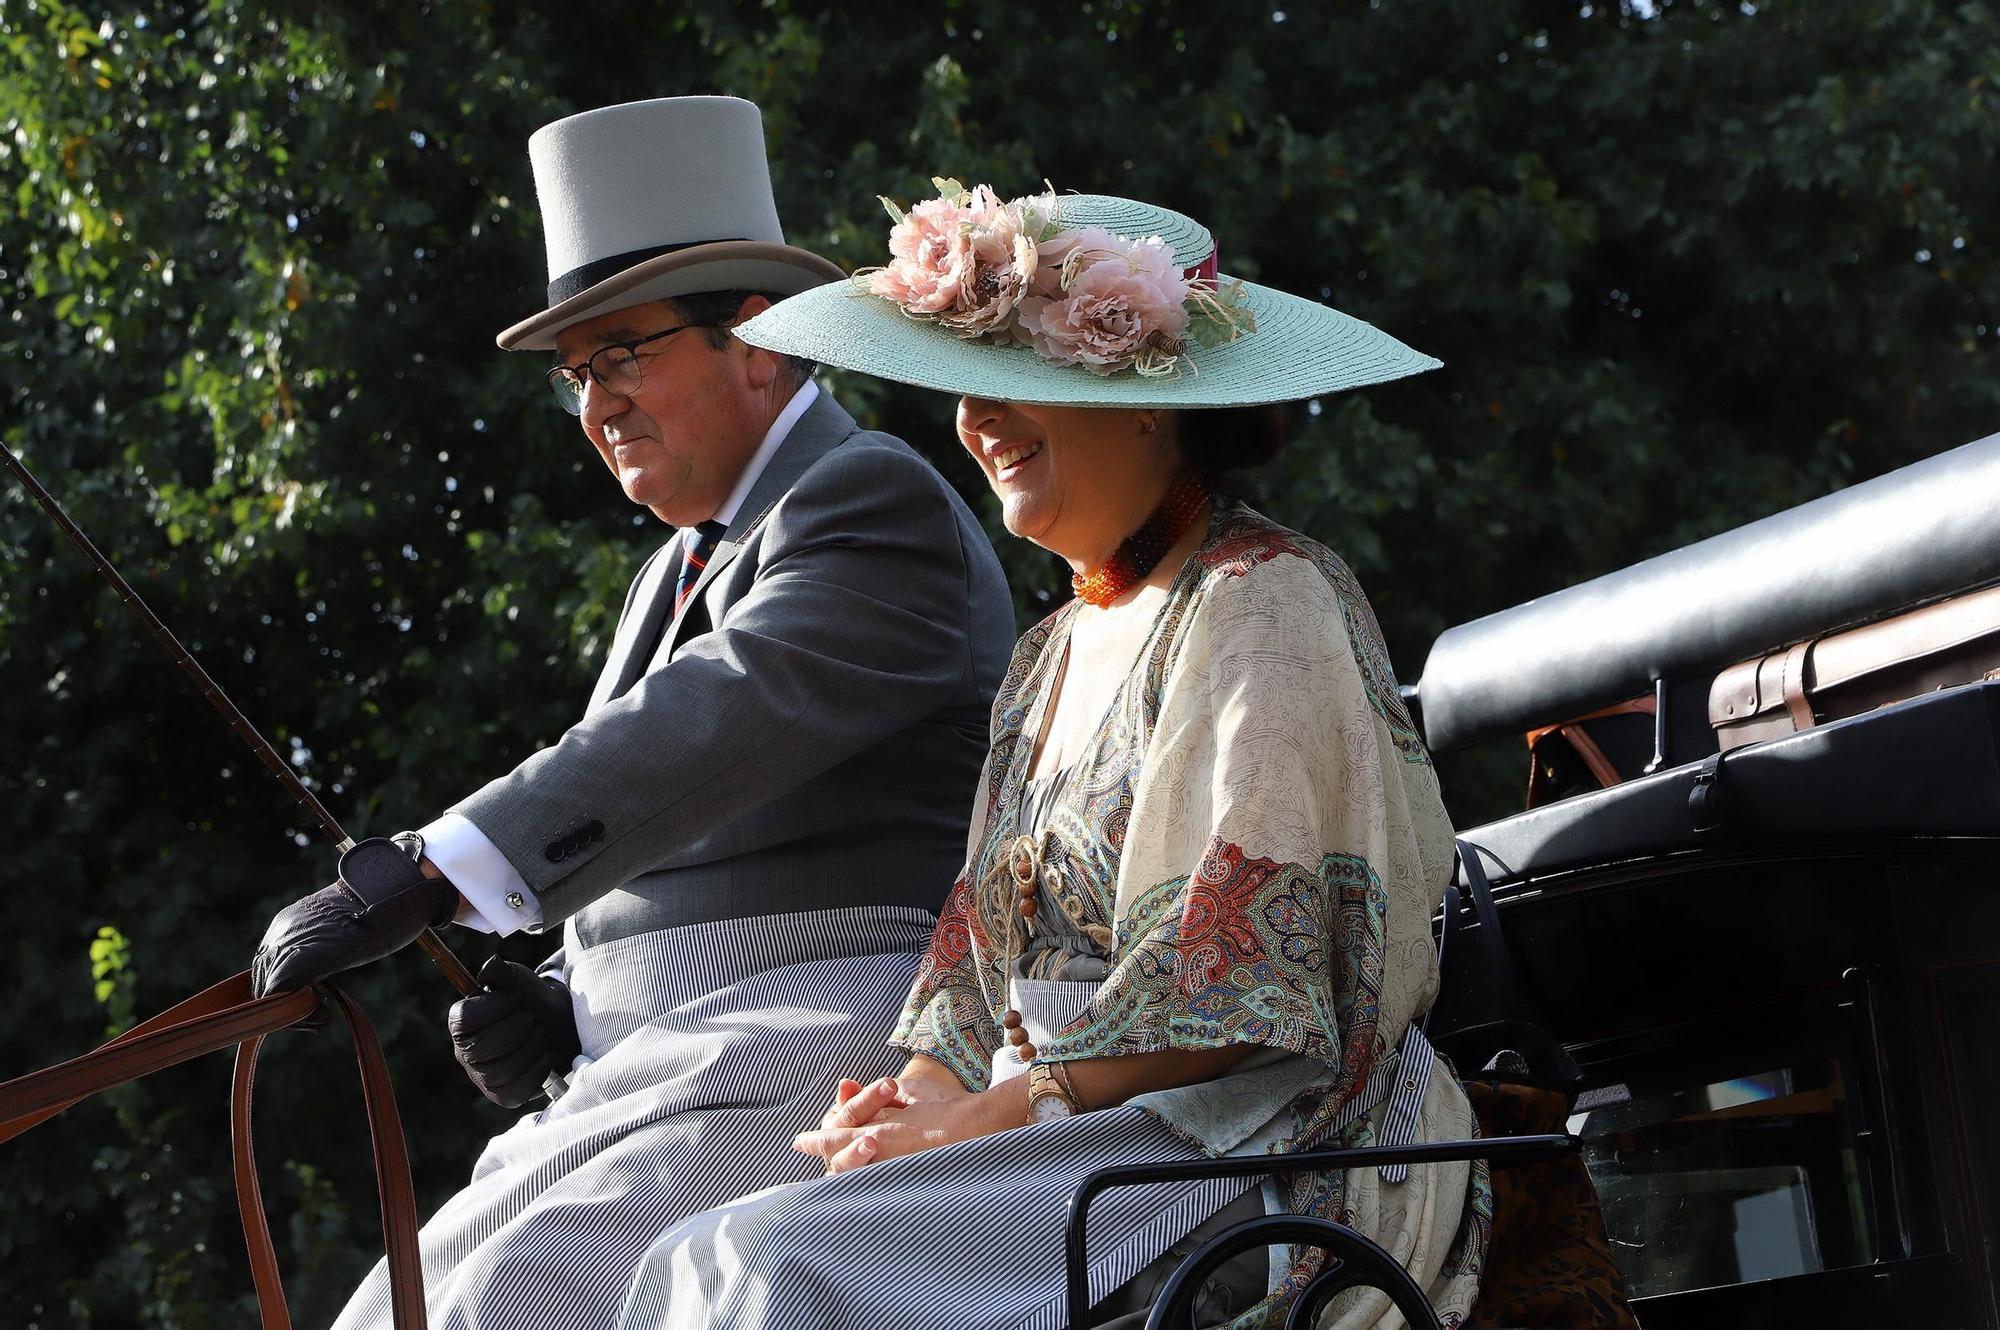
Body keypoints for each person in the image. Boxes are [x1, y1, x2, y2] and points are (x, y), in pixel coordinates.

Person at [595, 186, 1495, 1327]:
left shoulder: (1264, 598)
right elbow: (972, 965)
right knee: (704, 1250)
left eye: (1019, 377)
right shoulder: (1047, 656)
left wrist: (980, 1117)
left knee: (767, 1261)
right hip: (1071, 1134)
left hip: (1251, 1152)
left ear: (1143, 401)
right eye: (963, 381)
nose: (976, 418)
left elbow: (1226, 992)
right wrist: (907, 1100)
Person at [249, 99, 1013, 1327]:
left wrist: (445, 865)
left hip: (829, 1024)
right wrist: (562, 989)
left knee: (514, 1299)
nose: (596, 405)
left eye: (622, 357)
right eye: (574, 377)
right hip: (659, 1061)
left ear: (756, 341)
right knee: (391, 1309)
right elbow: (682, 808)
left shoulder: (870, 499)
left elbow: (722, 714)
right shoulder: (677, 563)